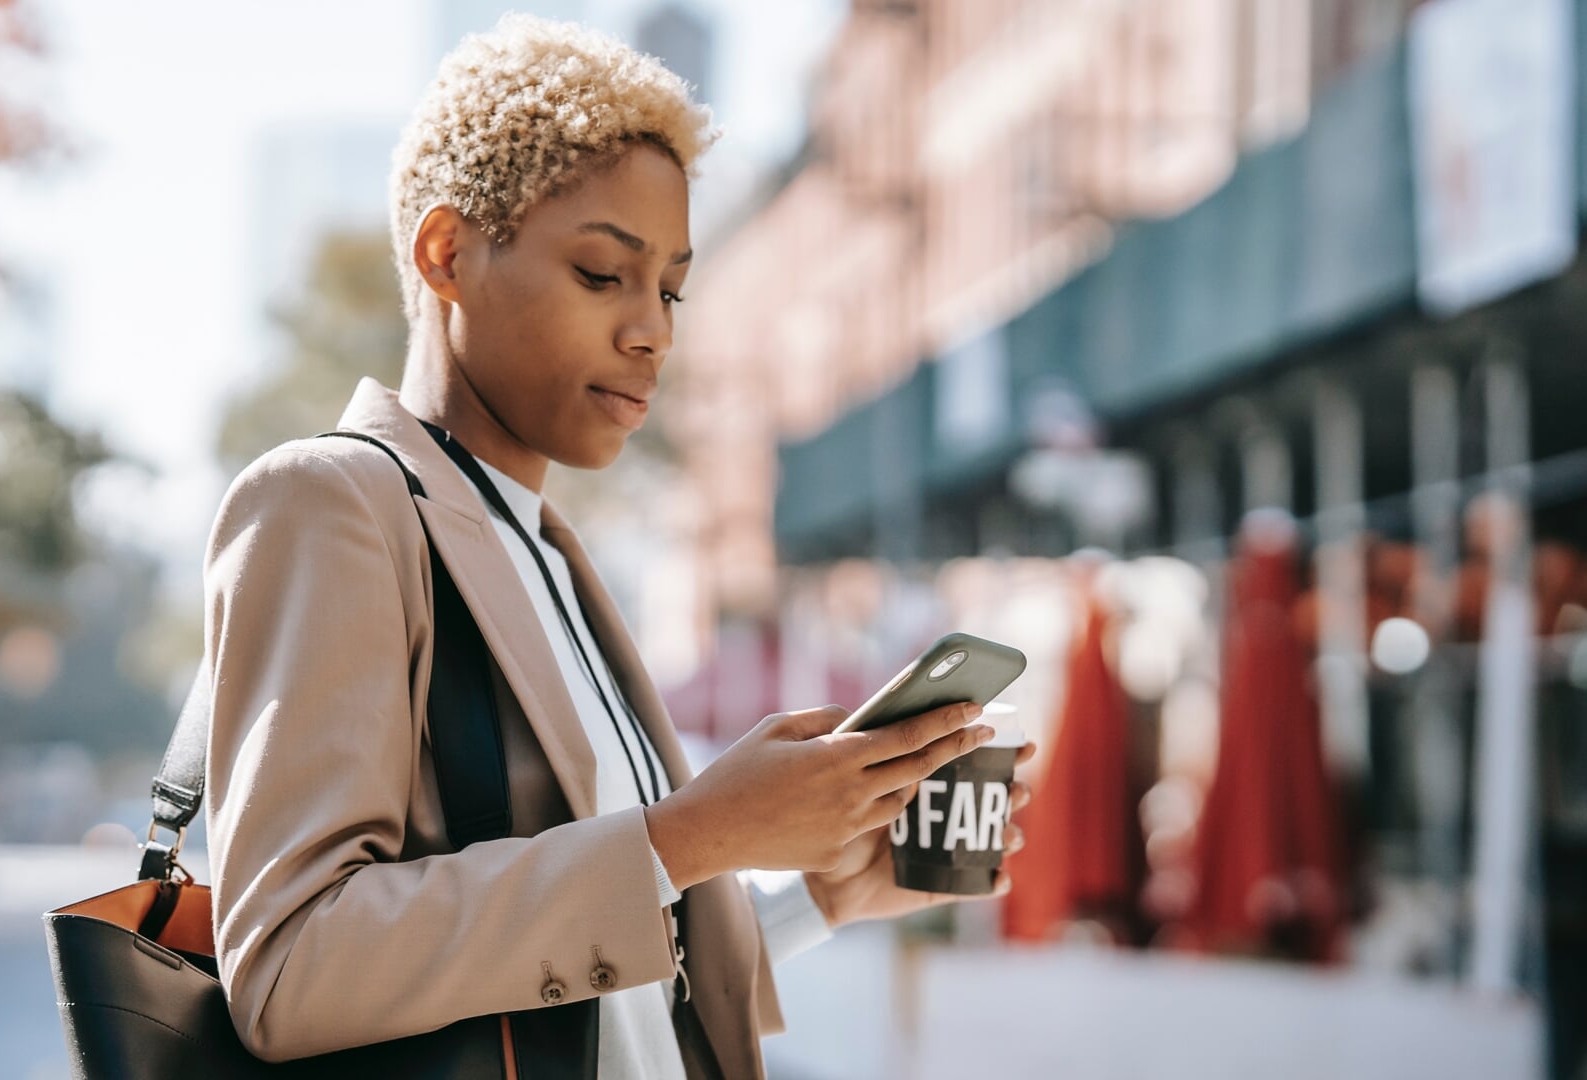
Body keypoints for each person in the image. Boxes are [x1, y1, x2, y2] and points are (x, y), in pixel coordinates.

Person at [200, 14, 1034, 1077]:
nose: (653, 331)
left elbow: (610, 994)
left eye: (671, 287)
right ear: (446, 253)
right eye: (603, 274)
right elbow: (290, 968)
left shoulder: (544, 548)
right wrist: (689, 837)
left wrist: (825, 891)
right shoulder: (332, 503)